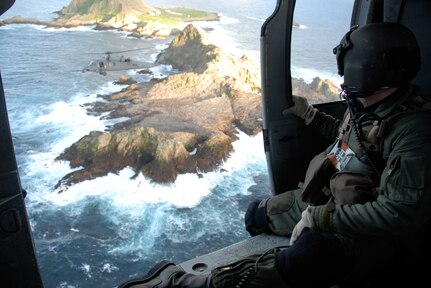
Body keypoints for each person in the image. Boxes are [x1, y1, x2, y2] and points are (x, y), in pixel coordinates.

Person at [118, 22, 431, 288]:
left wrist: (321, 218)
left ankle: (202, 283)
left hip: (376, 233)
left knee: (311, 254)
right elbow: (352, 143)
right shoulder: (369, 107)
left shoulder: (414, 131)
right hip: (331, 201)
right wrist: (310, 116)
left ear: (366, 68)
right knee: (256, 214)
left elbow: (401, 214)